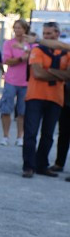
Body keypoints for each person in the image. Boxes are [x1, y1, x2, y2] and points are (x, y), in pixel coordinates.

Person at [21, 21, 70, 178]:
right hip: (35, 96)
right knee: (31, 133)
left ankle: (42, 165)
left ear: (57, 33)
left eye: (50, 34)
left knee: (48, 135)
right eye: (45, 34)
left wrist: (48, 70)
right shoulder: (37, 51)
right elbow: (37, 74)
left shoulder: (66, 53)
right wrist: (58, 74)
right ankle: (28, 166)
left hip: (56, 98)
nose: (46, 37)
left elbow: (68, 75)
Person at [0, 20, 32, 146]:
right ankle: (5, 135)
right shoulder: (9, 43)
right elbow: (7, 60)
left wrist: (24, 50)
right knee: (6, 109)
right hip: (11, 80)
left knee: (22, 111)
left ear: (25, 29)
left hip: (26, 81)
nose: (17, 30)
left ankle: (20, 136)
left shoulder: (30, 44)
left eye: (20, 28)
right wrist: (21, 58)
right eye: (15, 28)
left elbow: (33, 55)